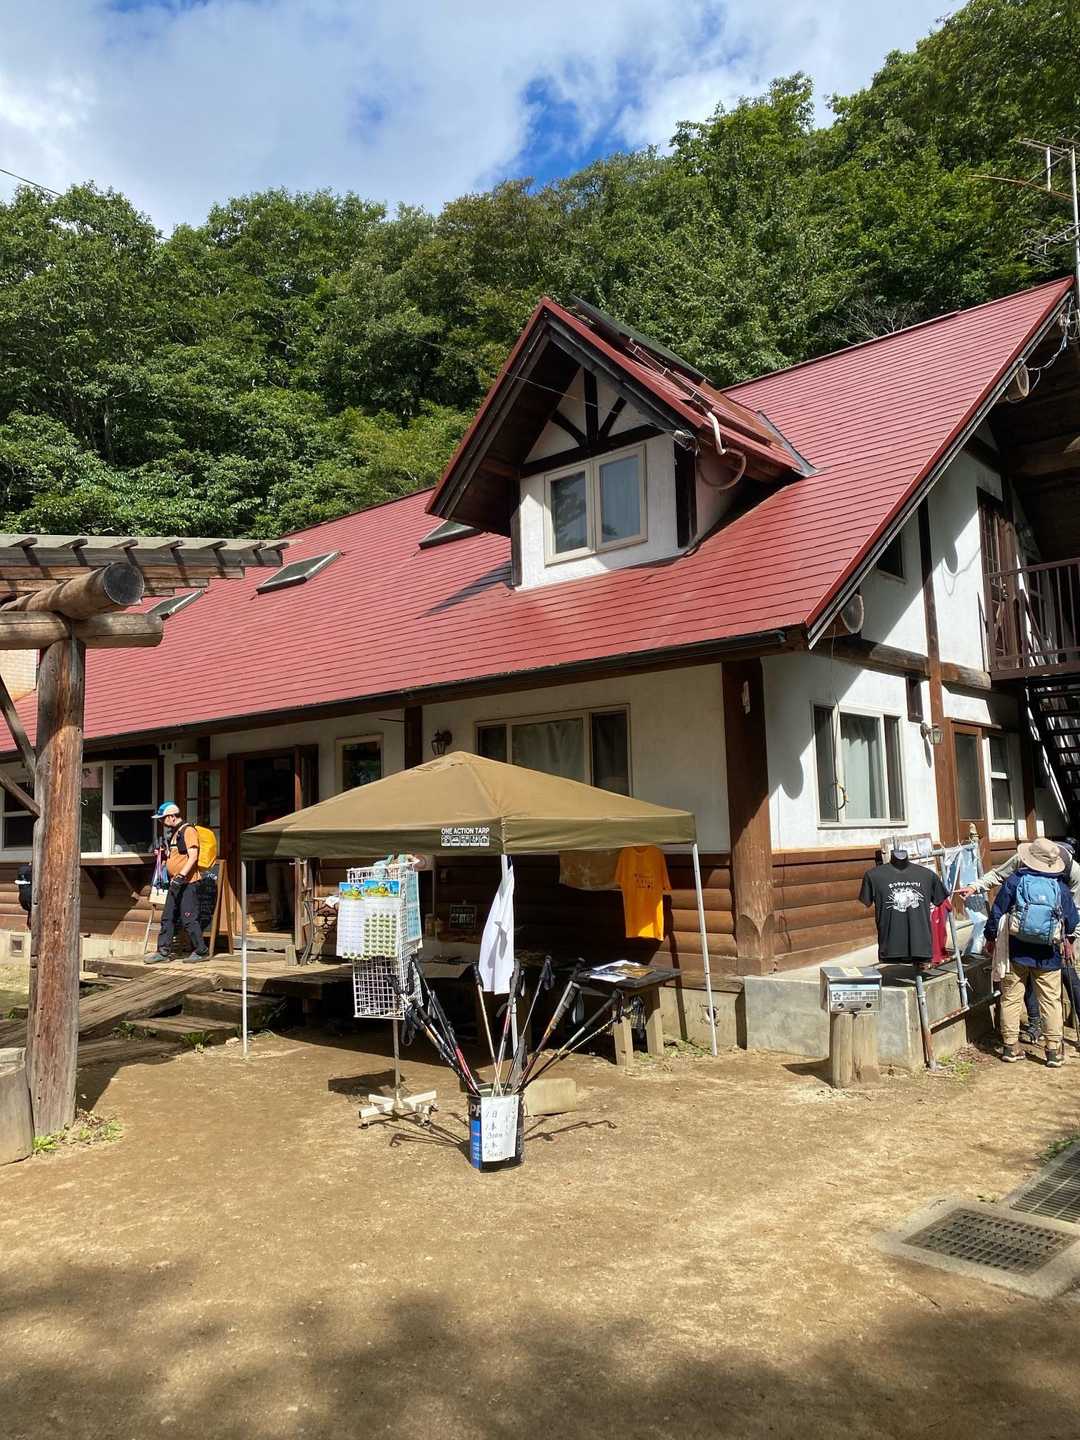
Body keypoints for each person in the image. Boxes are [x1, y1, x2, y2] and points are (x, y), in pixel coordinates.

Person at [962, 836, 1080, 1042]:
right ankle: (1052, 1046)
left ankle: (1013, 1042)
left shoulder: (1017, 880)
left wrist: (990, 937)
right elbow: (1073, 914)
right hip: (1051, 948)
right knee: (1052, 997)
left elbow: (998, 911)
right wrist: (1069, 938)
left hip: (1018, 943)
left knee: (1013, 994)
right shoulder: (1061, 885)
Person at [147, 801, 209, 964]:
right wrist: (163, 855)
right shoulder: (175, 833)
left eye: (163, 818)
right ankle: (163, 952)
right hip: (175, 883)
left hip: (188, 883)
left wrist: (181, 876)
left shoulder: (188, 831)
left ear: (172, 816)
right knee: (167, 917)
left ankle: (201, 951)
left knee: (189, 918)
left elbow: (193, 856)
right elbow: (176, 856)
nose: (162, 822)